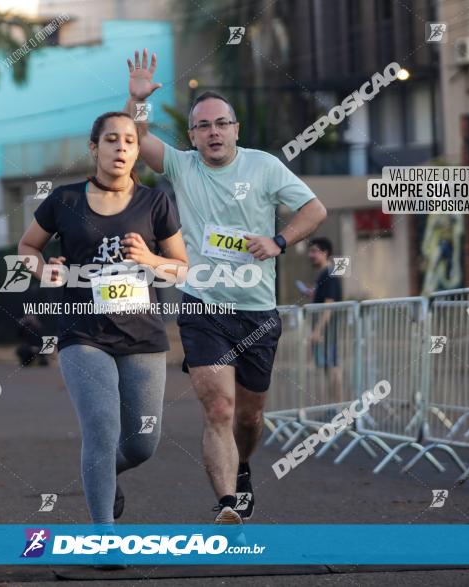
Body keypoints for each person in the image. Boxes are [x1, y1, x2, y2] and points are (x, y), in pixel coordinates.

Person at [125, 49, 327, 524]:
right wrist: (138, 102)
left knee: (249, 418)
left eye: (221, 124)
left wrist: (278, 240)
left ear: (235, 129)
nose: (213, 132)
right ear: (192, 136)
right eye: (203, 126)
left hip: (257, 309)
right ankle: (226, 503)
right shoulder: (181, 167)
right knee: (218, 406)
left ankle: (244, 468)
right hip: (202, 304)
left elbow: (315, 211)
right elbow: (141, 140)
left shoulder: (265, 167)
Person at [17, 111, 189, 527]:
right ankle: (104, 533)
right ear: (94, 147)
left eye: (129, 141)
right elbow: (27, 248)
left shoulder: (155, 201)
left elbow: (181, 267)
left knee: (143, 444)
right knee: (101, 429)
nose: (121, 148)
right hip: (83, 334)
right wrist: (45, 271)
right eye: (111, 140)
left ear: (137, 152)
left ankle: (102, 475)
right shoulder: (65, 201)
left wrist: (150, 259)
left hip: (143, 336)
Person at [307, 237, 344, 408]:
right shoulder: (324, 274)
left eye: (314, 251)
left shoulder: (329, 274)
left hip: (327, 331)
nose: (310, 255)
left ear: (325, 253)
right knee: (328, 368)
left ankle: (338, 408)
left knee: (333, 368)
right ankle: (332, 409)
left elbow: (329, 305)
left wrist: (318, 331)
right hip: (325, 331)